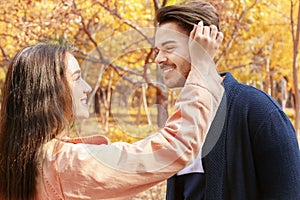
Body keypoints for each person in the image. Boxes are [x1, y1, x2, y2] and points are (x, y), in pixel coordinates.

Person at [0, 21, 224, 200]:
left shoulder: (14, 158)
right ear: (50, 91)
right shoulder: (66, 164)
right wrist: (202, 66)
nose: (87, 88)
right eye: (77, 79)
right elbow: (174, 148)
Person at [154, 1, 300, 200]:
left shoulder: (260, 110)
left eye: (169, 48)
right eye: (157, 51)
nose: (158, 59)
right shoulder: (182, 119)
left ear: (202, 44)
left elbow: (288, 192)